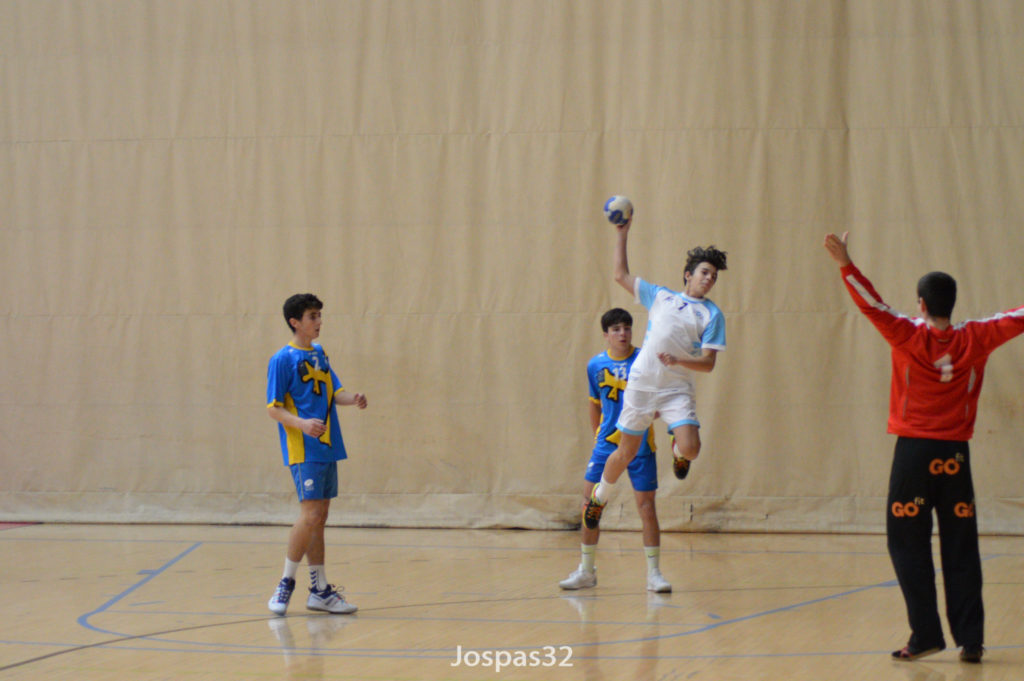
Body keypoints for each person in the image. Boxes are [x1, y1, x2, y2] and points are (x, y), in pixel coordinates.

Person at [823, 231, 1024, 663]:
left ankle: (926, 634)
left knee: (906, 542)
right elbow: (1019, 316)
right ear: (951, 303)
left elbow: (870, 303)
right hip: (955, 457)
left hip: (914, 454)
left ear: (921, 303)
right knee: (961, 545)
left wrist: (846, 263)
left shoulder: (907, 336)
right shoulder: (978, 337)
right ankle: (971, 641)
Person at [582, 217, 727, 532]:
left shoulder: (712, 315)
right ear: (688, 274)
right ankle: (600, 497)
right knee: (626, 452)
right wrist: (623, 233)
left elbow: (709, 363)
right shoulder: (661, 296)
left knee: (692, 448)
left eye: (713, 276)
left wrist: (678, 360)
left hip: (676, 389)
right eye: (704, 272)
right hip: (643, 386)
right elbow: (620, 274)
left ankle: (677, 449)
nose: (709, 279)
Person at [266, 293, 368, 616]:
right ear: (295, 322)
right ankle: (285, 583)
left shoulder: (320, 354)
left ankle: (320, 590)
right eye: (312, 316)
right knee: (309, 515)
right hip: (303, 447)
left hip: (328, 445)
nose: (319, 322)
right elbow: (274, 408)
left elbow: (334, 390)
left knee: (320, 518)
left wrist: (354, 398)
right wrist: (302, 424)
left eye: (320, 315)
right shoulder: (282, 359)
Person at [559, 308, 671, 593]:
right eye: (617, 329)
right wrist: (598, 432)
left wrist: (649, 416)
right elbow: (594, 401)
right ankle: (586, 570)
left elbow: (664, 398)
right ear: (606, 335)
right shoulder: (595, 365)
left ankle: (654, 574)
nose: (623, 334)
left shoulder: (645, 360)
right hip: (606, 446)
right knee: (591, 504)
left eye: (627, 328)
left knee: (646, 506)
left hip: (640, 445)